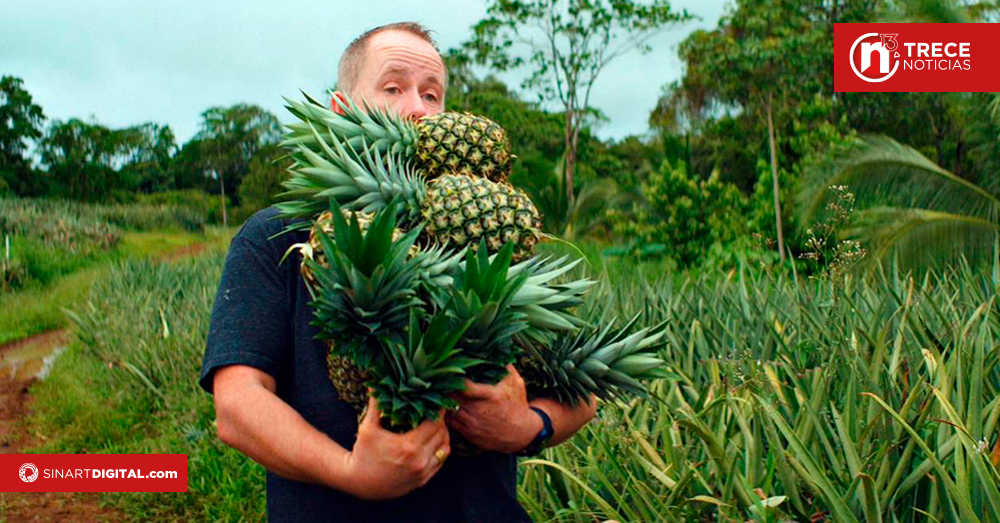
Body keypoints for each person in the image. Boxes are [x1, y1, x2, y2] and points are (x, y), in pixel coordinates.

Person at [199, 22, 597, 523]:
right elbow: (237, 407)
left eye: (432, 95)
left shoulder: (491, 229)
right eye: (393, 88)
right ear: (344, 111)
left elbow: (583, 390)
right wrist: (351, 472)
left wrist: (529, 426)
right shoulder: (278, 236)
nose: (418, 108)